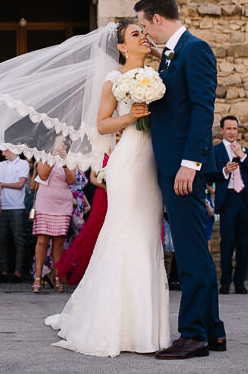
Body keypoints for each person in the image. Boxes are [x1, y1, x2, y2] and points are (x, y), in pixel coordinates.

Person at [45, 19, 170, 356]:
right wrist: (131, 116)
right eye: (135, 34)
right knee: (123, 231)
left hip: (153, 164)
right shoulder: (113, 80)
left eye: (144, 33)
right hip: (129, 162)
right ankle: (112, 324)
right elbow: (102, 124)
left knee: (147, 235)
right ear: (121, 47)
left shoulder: (160, 77)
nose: (143, 37)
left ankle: (146, 328)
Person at [136, 0, 226, 359]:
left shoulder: (195, 49)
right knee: (195, 251)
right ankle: (213, 330)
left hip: (183, 171)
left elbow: (203, 111)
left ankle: (192, 335)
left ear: (158, 18)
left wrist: (191, 164)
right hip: (174, 167)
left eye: (144, 24)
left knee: (189, 253)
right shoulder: (174, 55)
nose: (144, 33)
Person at [209, 116, 248, 295]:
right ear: (222, 130)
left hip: (245, 200)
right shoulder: (216, 151)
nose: (232, 132)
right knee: (227, 243)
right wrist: (224, 171)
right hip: (228, 200)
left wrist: (243, 156)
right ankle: (225, 282)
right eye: (228, 128)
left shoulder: (244, 150)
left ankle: (240, 282)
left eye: (235, 129)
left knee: (244, 243)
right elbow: (209, 175)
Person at [55, 154, 109, 287]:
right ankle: (69, 268)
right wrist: (107, 187)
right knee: (90, 233)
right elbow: (92, 178)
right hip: (103, 196)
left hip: (117, 196)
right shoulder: (101, 155)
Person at [31, 137, 77, 293]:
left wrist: (64, 163)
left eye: (64, 143)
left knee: (58, 243)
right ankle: (38, 278)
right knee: (42, 240)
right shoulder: (43, 155)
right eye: (59, 142)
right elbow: (43, 175)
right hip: (45, 203)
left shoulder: (70, 159)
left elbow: (71, 180)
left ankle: (58, 277)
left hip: (62, 205)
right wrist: (52, 159)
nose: (61, 145)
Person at [0, 149, 29, 283]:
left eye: (5, 150)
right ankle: (3, 271)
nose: (3, 153)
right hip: (3, 206)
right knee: (2, 239)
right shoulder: (1, 165)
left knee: (18, 239)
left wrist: (1, 184)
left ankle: (17, 272)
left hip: (17, 206)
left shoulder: (23, 164)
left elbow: (20, 184)